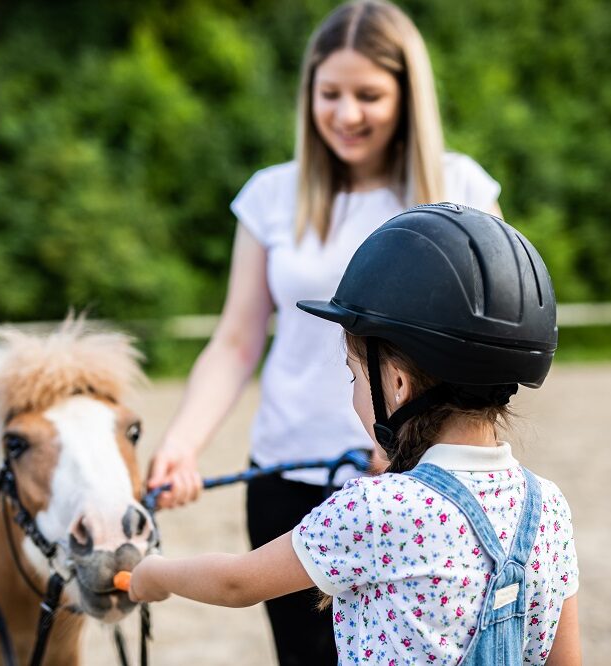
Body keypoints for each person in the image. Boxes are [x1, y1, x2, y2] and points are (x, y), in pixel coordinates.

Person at [146, 1, 503, 662]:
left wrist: (410, 444)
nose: (346, 114)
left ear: (407, 95)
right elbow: (236, 339)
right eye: (329, 93)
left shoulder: (460, 187)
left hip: (420, 482)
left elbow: (486, 340)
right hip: (288, 475)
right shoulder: (270, 196)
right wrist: (182, 444)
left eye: (368, 94)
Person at [131, 205, 581, 665]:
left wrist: (154, 575)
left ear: (399, 385)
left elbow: (236, 582)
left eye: (354, 377)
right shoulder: (548, 506)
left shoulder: (375, 509)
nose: (353, 395)